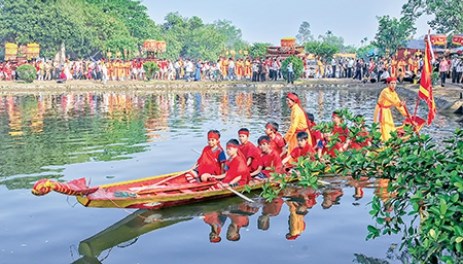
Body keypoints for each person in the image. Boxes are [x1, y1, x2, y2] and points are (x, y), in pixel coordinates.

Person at [373, 77, 408, 142]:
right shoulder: (385, 91)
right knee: (382, 126)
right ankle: (382, 141)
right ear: (388, 84)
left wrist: (406, 114)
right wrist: (399, 103)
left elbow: (399, 105)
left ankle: (389, 139)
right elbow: (392, 100)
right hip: (380, 110)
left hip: (387, 110)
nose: (393, 85)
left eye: (394, 83)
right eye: (391, 83)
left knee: (390, 125)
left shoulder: (394, 93)